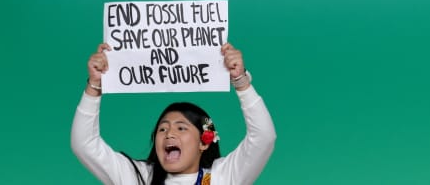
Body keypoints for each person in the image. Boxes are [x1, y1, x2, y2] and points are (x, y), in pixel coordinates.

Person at [71, 43, 276, 185]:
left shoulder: (221, 177)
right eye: (162, 128)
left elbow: (264, 137)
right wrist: (95, 85)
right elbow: (84, 143)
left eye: (181, 127)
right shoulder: (140, 177)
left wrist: (240, 80)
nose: (169, 134)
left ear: (204, 141)